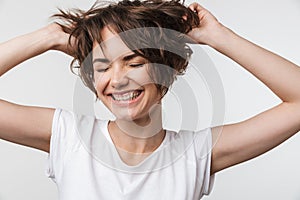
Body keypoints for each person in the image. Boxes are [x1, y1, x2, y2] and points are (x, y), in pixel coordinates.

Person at [0, 0, 300, 199]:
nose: (117, 79)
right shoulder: (68, 135)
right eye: (103, 67)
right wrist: (48, 37)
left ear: (164, 71)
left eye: (134, 63)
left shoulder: (196, 152)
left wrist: (219, 37)